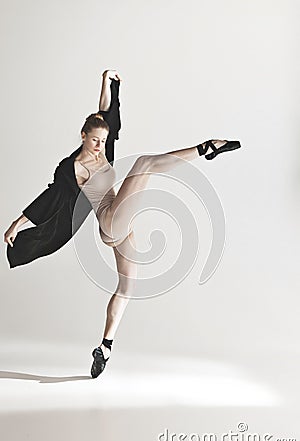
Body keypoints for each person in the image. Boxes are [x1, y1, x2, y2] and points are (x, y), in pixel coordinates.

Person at [4, 69, 241, 378]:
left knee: (127, 288)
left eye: (103, 140)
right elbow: (49, 197)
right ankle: (205, 149)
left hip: (122, 226)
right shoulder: (72, 167)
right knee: (144, 165)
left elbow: (105, 113)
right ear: (82, 137)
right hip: (110, 221)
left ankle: (105, 347)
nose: (100, 146)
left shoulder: (103, 146)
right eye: (94, 141)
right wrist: (17, 223)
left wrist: (105, 82)